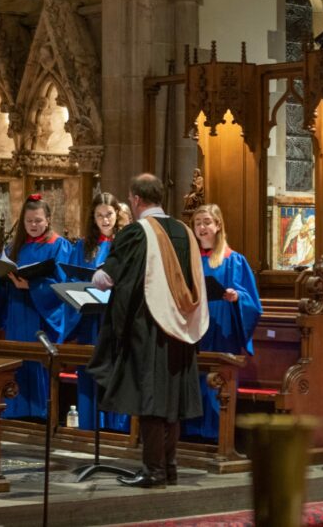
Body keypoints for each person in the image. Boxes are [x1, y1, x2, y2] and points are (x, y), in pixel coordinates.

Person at [87, 173, 208, 488]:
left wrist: (98, 276)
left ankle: (153, 471)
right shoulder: (184, 231)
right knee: (173, 401)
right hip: (181, 328)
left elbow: (109, 279)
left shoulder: (136, 233)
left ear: (136, 199)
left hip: (150, 327)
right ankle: (169, 468)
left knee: (152, 399)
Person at [0, 193, 73, 420]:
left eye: (38, 220)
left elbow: (63, 284)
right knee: (17, 361)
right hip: (17, 312)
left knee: (37, 363)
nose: (33, 226)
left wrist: (33, 286)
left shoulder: (59, 246)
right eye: (29, 221)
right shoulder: (14, 247)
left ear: (48, 219)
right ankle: (14, 411)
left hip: (41, 315)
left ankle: (41, 413)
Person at [183, 204, 262, 441]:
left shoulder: (233, 260)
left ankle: (218, 436)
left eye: (207, 222)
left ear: (218, 226)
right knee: (194, 382)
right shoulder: (189, 260)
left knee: (216, 383)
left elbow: (252, 302)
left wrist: (237, 297)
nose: (202, 227)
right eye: (197, 223)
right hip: (195, 329)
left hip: (221, 328)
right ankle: (191, 434)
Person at [67, 192, 128, 432]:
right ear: (92, 218)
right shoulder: (83, 246)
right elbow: (71, 277)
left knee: (116, 371)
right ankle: (91, 426)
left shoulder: (125, 242)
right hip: (90, 321)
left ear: (117, 215)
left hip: (116, 319)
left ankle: (117, 430)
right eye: (99, 215)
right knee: (91, 370)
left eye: (109, 214)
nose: (105, 220)